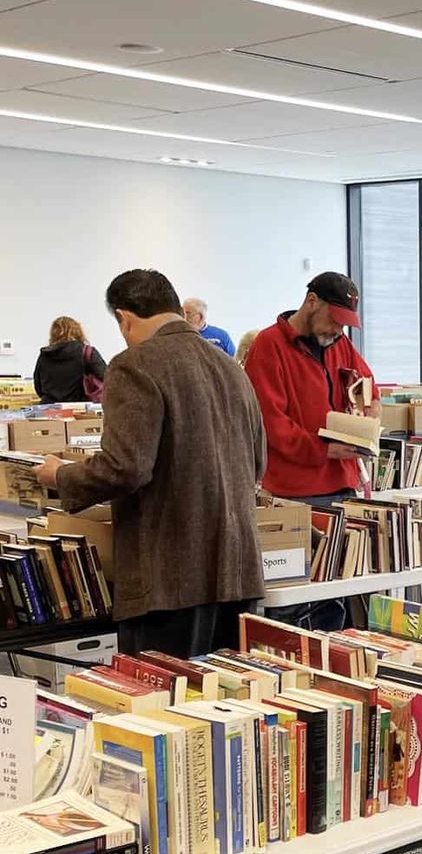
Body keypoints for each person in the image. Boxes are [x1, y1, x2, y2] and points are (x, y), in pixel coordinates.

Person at [35, 270, 265, 656]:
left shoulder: (134, 365)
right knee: (223, 706)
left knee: (164, 708)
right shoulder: (230, 367)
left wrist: (61, 475)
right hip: (237, 571)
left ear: (124, 318)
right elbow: (258, 462)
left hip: (167, 578)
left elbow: (126, 466)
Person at [244, 272, 379, 629]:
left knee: (335, 598)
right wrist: (324, 450)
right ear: (312, 302)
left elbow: (368, 387)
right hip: (293, 495)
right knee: (289, 602)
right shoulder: (268, 346)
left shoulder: (342, 346)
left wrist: (369, 412)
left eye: (346, 324)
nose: (339, 331)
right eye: (335, 320)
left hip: (341, 489)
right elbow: (272, 425)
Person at [33, 316, 106, 404]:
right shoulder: (87, 352)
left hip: (49, 409)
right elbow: (108, 378)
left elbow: (38, 387)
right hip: (80, 410)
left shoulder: (44, 355)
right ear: (78, 332)